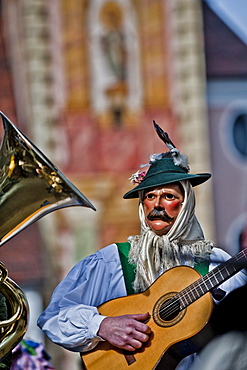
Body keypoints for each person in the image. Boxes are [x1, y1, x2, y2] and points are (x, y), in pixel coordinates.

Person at [37, 122, 247, 369]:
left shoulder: (215, 264)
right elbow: (54, 316)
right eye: (149, 196)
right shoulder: (112, 261)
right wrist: (101, 325)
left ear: (186, 204)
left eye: (169, 196)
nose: (157, 204)